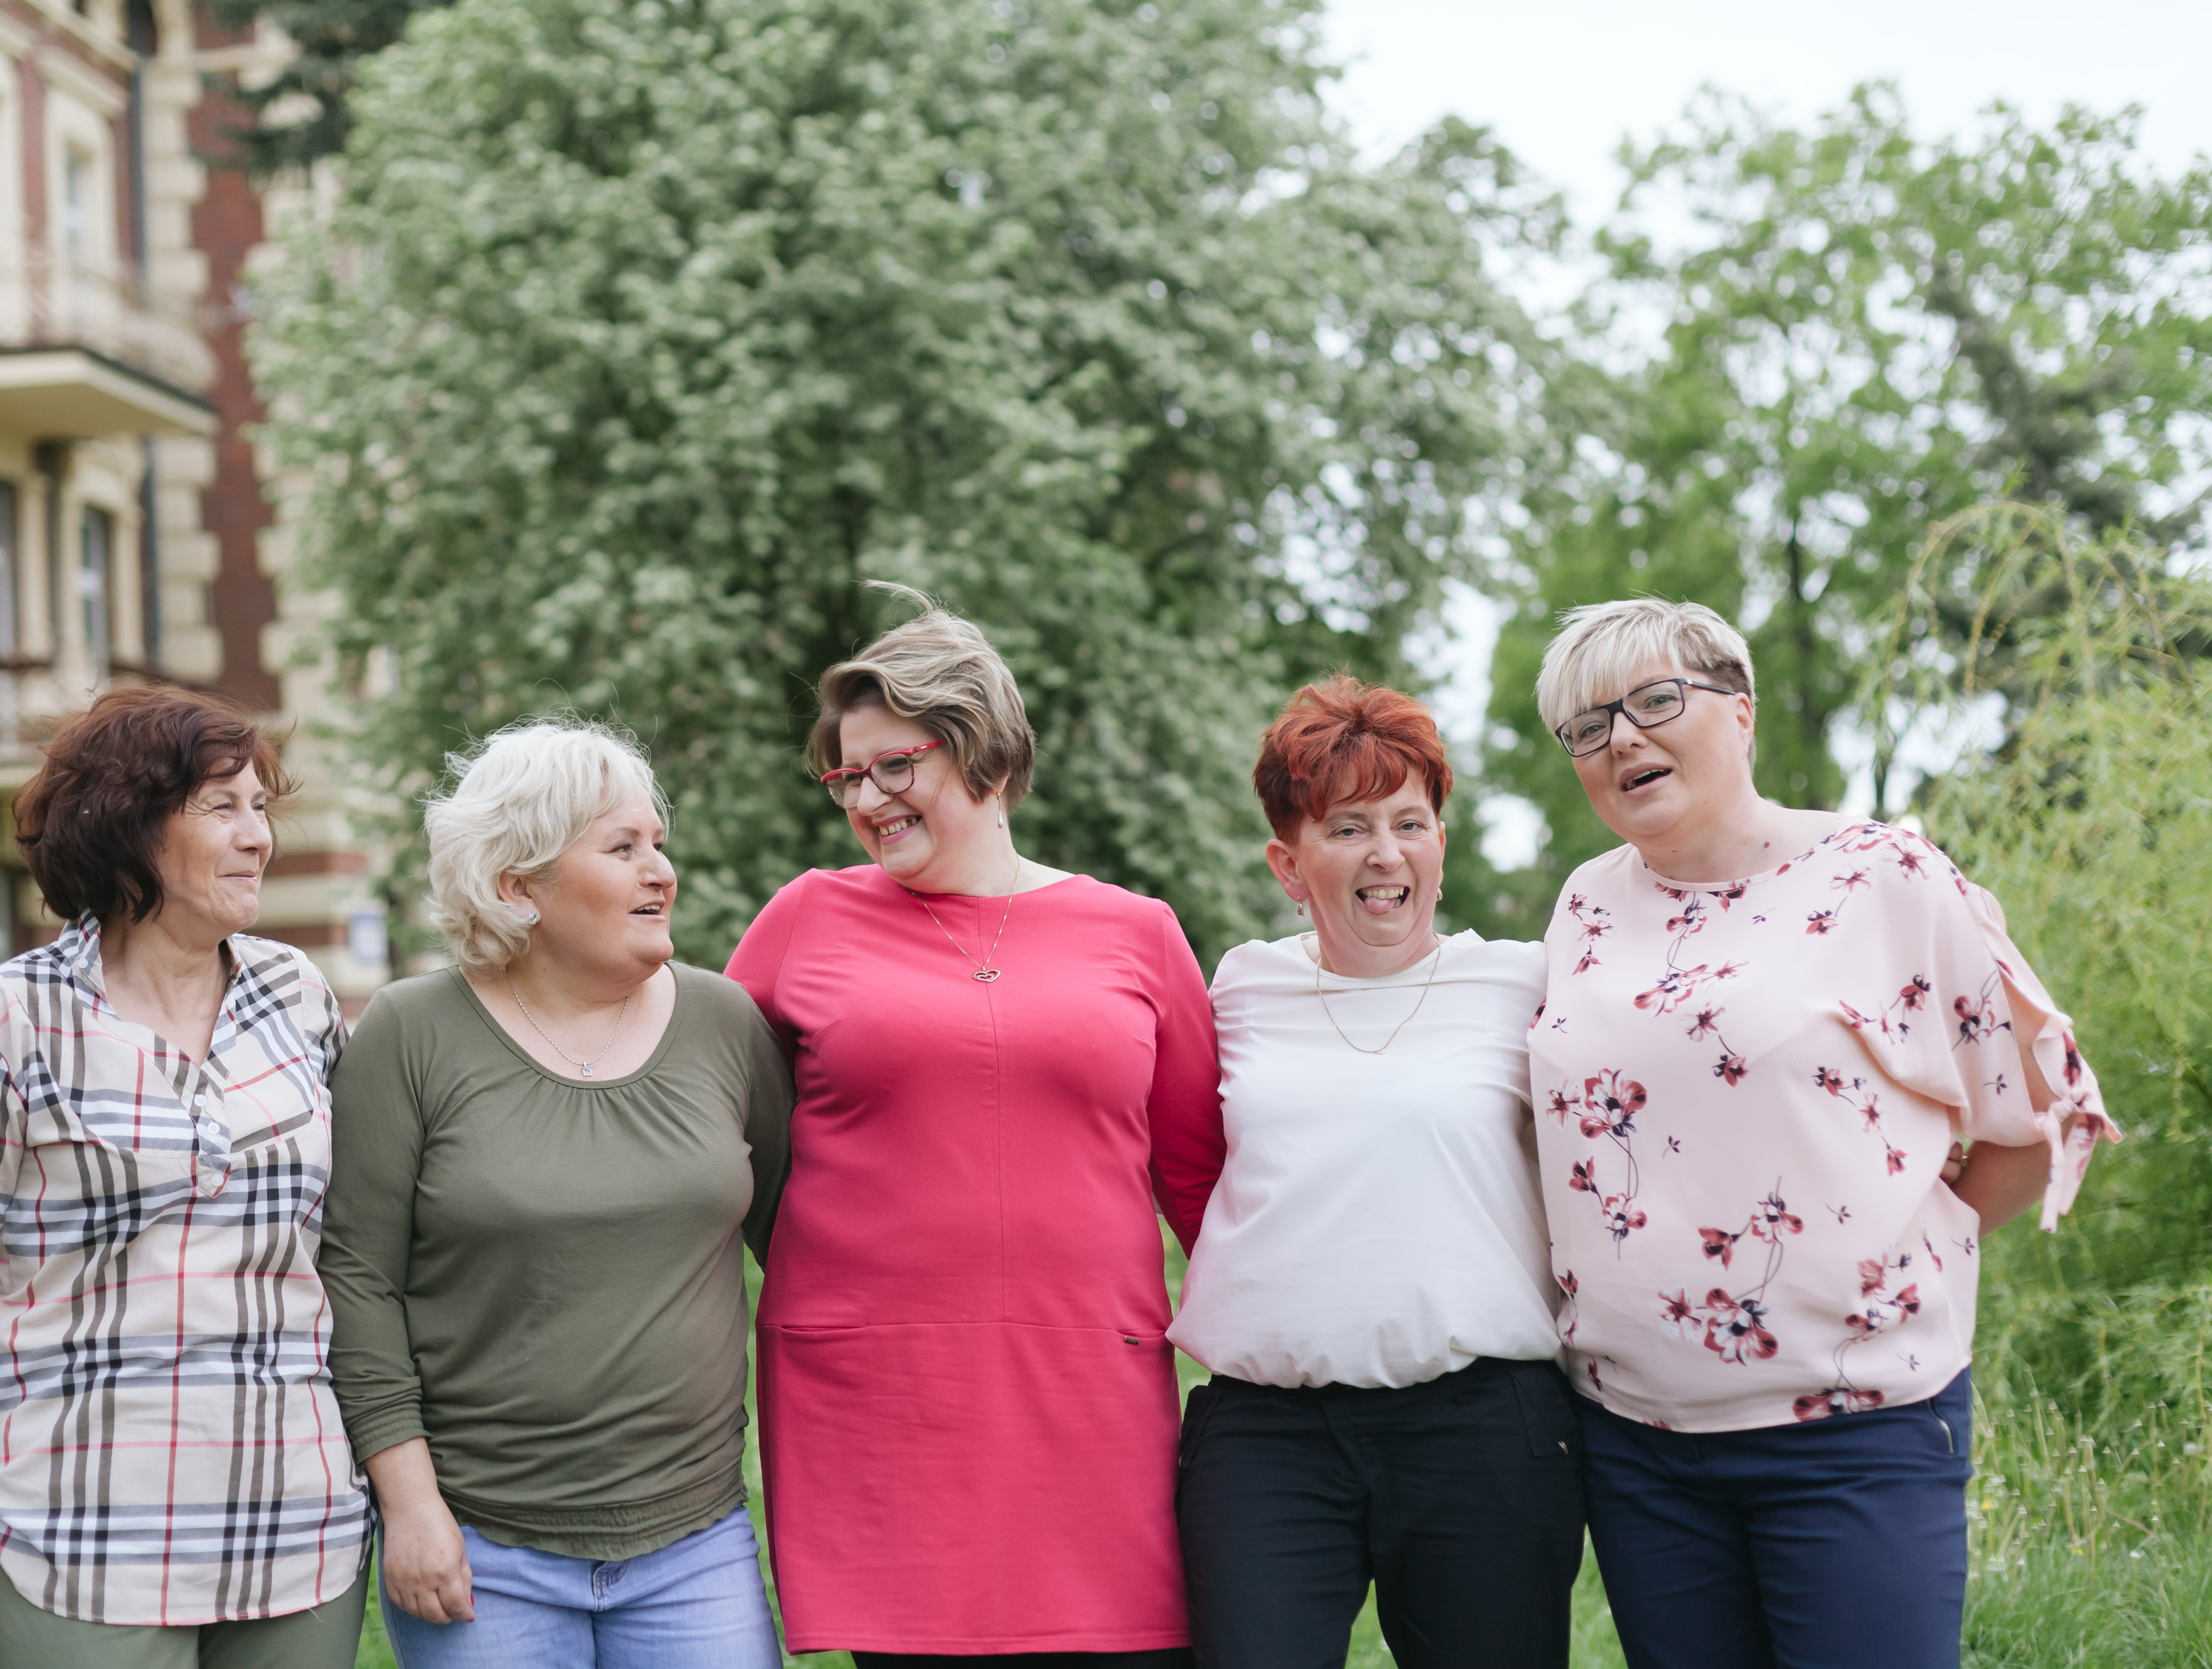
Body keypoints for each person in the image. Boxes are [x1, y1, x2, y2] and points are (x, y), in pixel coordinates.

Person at [1528, 598, 2117, 1669]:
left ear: (1742, 711)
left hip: (1855, 1433)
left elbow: (2034, 1117)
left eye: (1655, 701)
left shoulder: (1882, 878)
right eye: (1589, 724)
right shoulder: (1586, 904)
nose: (1621, 739)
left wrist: (1892, 1253)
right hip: (1639, 1445)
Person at [724, 599, 1225, 1666]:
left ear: (984, 752)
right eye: (847, 778)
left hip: (1091, 1403)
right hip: (883, 1412)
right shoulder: (804, 919)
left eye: (894, 767)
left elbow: (1205, 1187)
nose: (867, 800)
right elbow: (705, 1135)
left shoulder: (1139, 934)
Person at [0, 686, 371, 1669]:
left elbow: (348, 1247)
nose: (258, 837)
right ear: (130, 825)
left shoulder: (298, 997)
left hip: (298, 1531)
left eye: (261, 808)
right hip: (81, 1541)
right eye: (222, 808)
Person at [318, 719, 792, 1669]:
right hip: (482, 1548)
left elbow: (808, 1246)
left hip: (695, 1541)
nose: (662, 872)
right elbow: (358, 1283)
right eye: (623, 849)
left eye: (658, 843)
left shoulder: (725, 1023)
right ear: (516, 886)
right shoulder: (411, 1033)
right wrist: (411, 1508)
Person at [1170, 677, 1584, 1669]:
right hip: (1268, 1433)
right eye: (1348, 828)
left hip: (1480, 1425)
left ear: (1441, 840)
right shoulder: (1239, 988)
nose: (1386, 853)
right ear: (1289, 862)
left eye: (1410, 823)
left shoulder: (1525, 982)